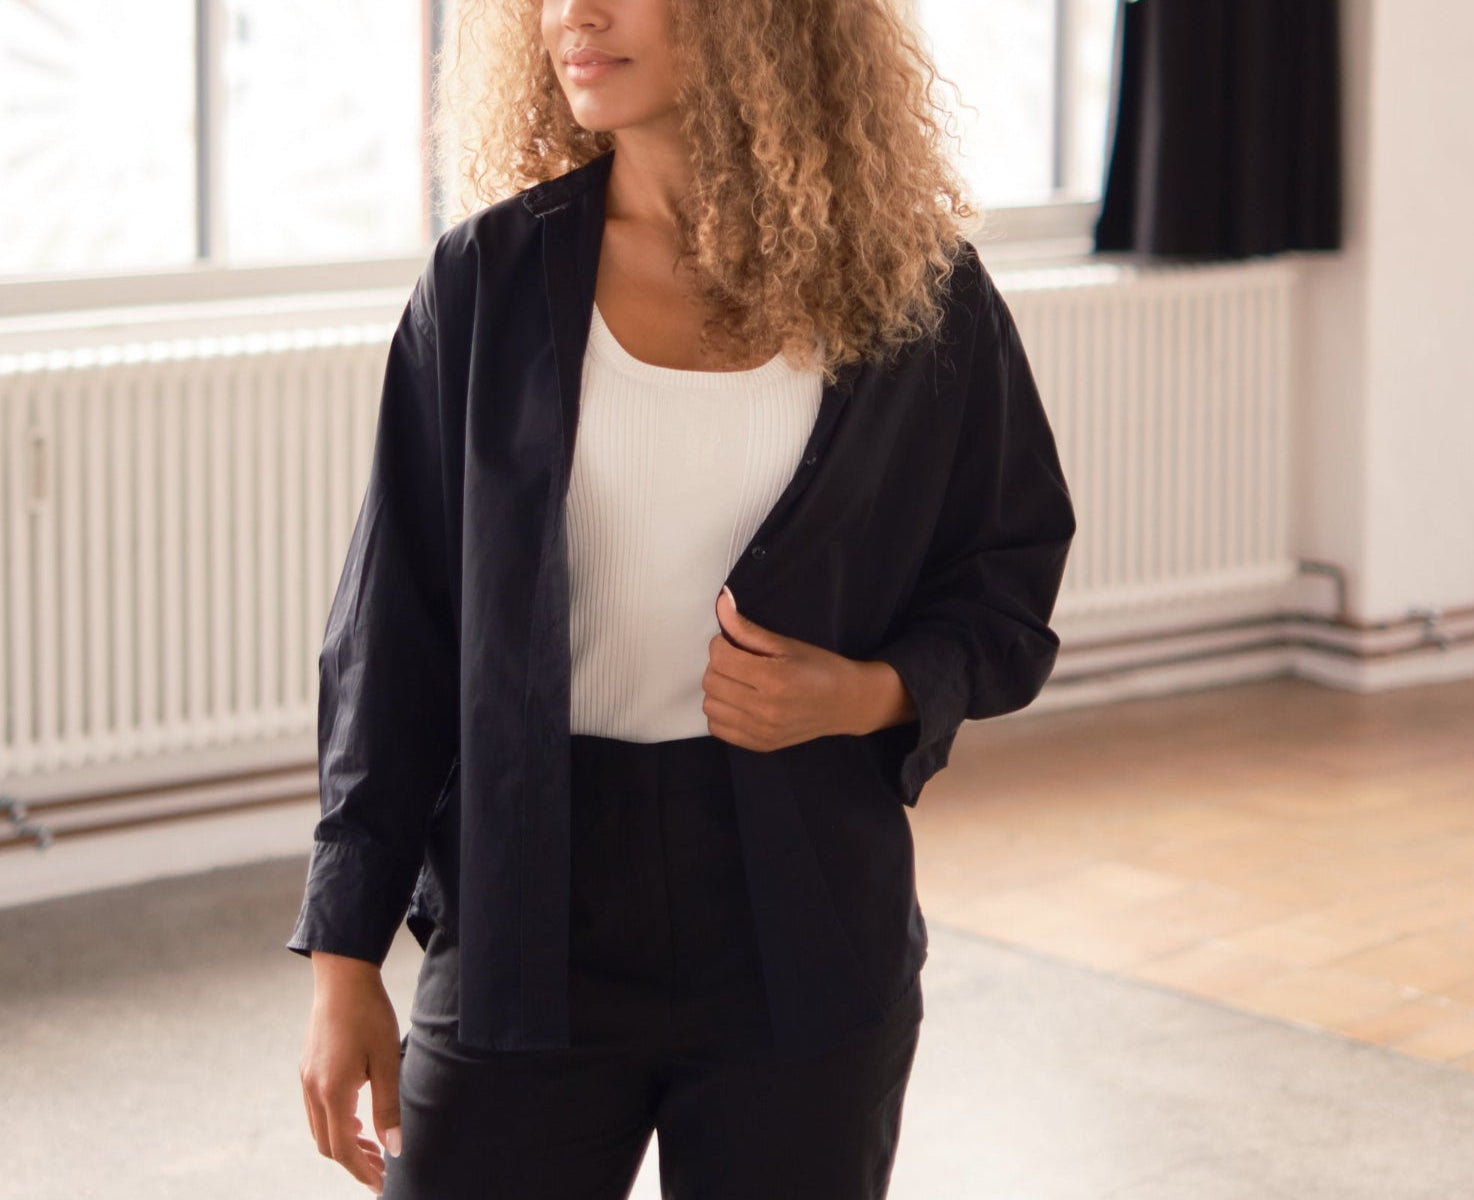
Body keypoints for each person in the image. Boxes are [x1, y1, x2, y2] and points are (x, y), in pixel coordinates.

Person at [288, 0, 1076, 1197]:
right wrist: (343, 957)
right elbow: (392, 640)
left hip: (802, 912)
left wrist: (870, 692)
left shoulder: (917, 295)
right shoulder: (485, 282)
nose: (573, 16)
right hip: (528, 902)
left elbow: (1009, 580)